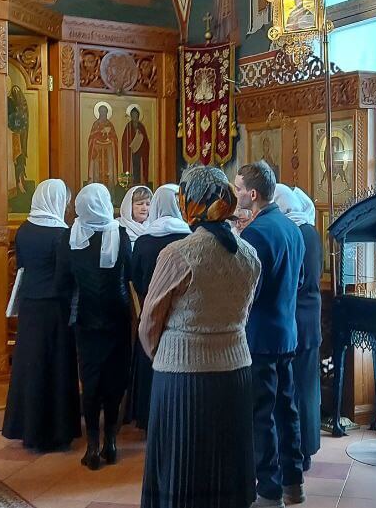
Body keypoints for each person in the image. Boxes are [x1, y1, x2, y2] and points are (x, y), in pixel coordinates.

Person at [139, 167, 261, 508]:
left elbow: (149, 321)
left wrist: (163, 353)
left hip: (183, 379)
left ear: (190, 202)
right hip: (235, 373)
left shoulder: (178, 254)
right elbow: (244, 313)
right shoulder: (249, 255)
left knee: (183, 470)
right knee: (225, 468)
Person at [234, 161, 306, 507]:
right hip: (286, 333)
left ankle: (269, 491)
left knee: (261, 415)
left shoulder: (255, 234)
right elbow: (300, 281)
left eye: (237, 188)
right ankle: (294, 483)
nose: (235, 194)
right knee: (286, 409)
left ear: (252, 194)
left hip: (260, 337)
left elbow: (249, 291)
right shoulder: (293, 228)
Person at [2, 179, 81, 453]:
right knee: (56, 367)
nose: (67, 207)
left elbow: (22, 267)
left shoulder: (24, 230)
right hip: (54, 309)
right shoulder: (61, 234)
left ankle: (28, 428)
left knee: (30, 366)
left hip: (29, 307)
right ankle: (56, 431)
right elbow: (65, 275)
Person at [59, 183, 133, 470]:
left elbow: (62, 282)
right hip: (117, 316)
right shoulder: (121, 234)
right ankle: (110, 442)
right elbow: (131, 273)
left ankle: (92, 446)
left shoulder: (70, 236)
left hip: (85, 317)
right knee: (114, 378)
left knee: (89, 379)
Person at [128, 184, 192, 430]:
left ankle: (147, 415)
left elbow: (134, 278)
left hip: (151, 311)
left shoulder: (144, 240)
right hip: (182, 316)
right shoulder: (189, 237)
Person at [273, 184, 322, 472]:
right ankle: (307, 448)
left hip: (293, 318)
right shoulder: (311, 231)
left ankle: (296, 451)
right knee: (308, 387)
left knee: (294, 390)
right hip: (311, 319)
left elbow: (290, 280)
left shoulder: (291, 233)